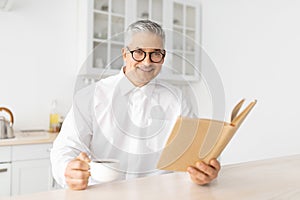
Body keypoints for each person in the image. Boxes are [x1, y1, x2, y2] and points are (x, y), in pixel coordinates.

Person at [50, 20, 220, 190]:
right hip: (102, 194)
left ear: (163, 57)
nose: (147, 62)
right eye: (139, 52)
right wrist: (68, 170)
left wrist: (204, 170)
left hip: (159, 194)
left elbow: (195, 152)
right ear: (125, 54)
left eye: (155, 54)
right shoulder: (89, 97)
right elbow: (65, 149)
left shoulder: (177, 99)